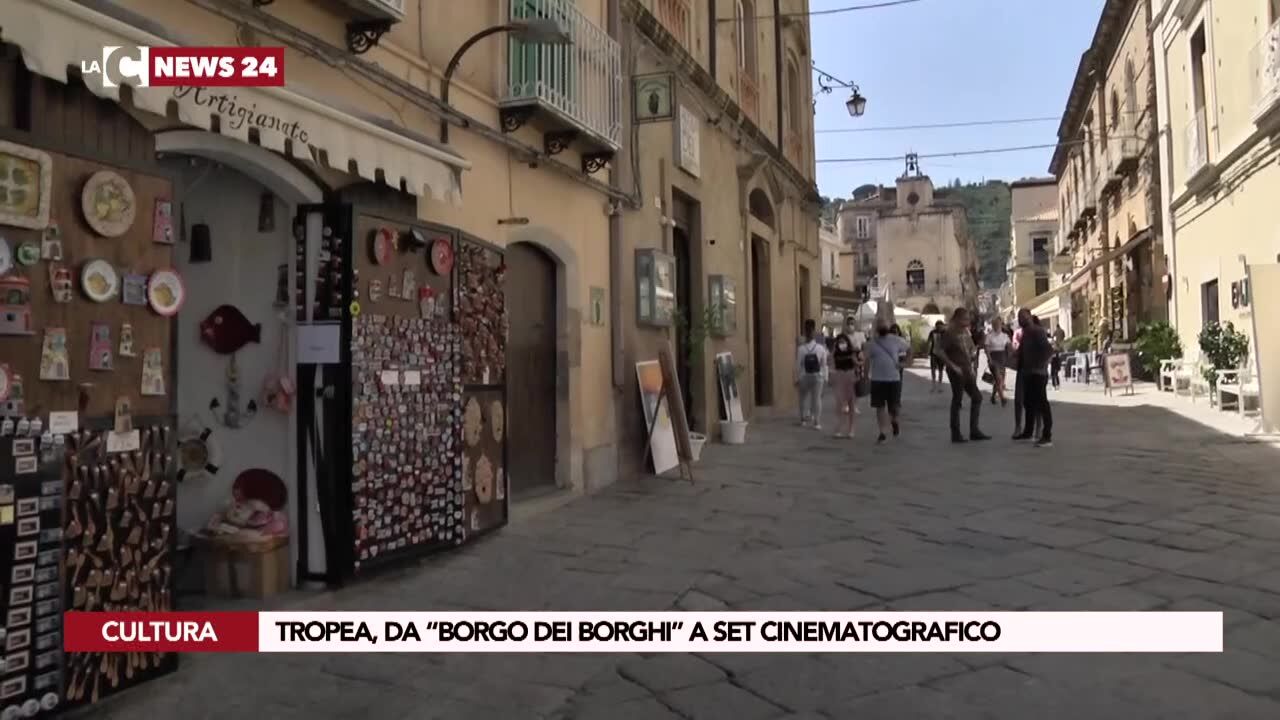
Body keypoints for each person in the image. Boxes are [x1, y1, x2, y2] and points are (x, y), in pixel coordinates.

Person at [939, 308, 991, 443]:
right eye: (965, 319)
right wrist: (953, 366)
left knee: (977, 397)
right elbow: (939, 351)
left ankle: (974, 430)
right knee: (957, 400)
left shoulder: (966, 332)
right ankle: (955, 433)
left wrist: (979, 345)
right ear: (958, 319)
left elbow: (971, 350)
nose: (968, 321)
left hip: (967, 369)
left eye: (968, 319)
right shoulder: (949, 333)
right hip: (956, 371)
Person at [1014, 308, 1054, 447]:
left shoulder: (1037, 331)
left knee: (1042, 403)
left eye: (1023, 317)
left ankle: (1047, 435)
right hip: (1027, 372)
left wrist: (1041, 365)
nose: (1021, 319)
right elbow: (1023, 351)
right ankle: (1028, 431)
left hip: (1038, 373)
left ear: (1030, 317)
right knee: (1028, 402)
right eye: (1019, 317)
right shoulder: (1026, 333)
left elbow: (1048, 350)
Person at [865, 321, 910, 444]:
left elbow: (910, 350)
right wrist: (865, 376)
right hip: (877, 379)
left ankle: (894, 420)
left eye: (883, 325)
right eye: (880, 326)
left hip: (893, 379)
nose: (882, 327)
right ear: (877, 329)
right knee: (879, 407)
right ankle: (883, 432)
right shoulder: (872, 343)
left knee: (894, 406)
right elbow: (867, 360)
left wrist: (904, 363)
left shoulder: (896, 340)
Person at [829, 317, 863, 439]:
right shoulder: (835, 353)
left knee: (851, 404)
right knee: (840, 405)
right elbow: (831, 364)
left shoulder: (851, 353)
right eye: (840, 342)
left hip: (850, 378)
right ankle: (839, 428)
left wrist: (861, 360)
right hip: (840, 378)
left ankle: (851, 429)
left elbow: (858, 363)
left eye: (843, 342)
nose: (842, 344)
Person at [794, 319, 829, 430]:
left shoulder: (801, 349)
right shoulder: (820, 348)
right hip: (817, 376)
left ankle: (803, 420)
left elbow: (798, 365)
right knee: (817, 398)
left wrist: (796, 378)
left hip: (804, 376)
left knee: (802, 398)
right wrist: (825, 377)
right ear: (814, 331)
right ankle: (816, 422)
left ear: (805, 332)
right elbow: (824, 364)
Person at [985, 316, 1010, 406]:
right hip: (993, 359)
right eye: (994, 324)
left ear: (1001, 324)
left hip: (1002, 358)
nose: (996, 326)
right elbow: (986, 348)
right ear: (992, 325)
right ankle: (1002, 398)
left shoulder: (1005, 336)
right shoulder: (989, 336)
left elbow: (1009, 347)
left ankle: (992, 396)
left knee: (999, 380)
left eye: (998, 324)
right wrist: (989, 359)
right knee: (998, 379)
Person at [926, 320, 946, 393]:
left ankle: (940, 386)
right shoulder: (932, 332)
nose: (940, 328)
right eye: (938, 326)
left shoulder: (945, 333)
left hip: (941, 353)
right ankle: (933, 385)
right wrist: (927, 351)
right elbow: (929, 342)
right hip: (933, 353)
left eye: (941, 326)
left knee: (940, 370)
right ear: (936, 326)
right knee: (933, 369)